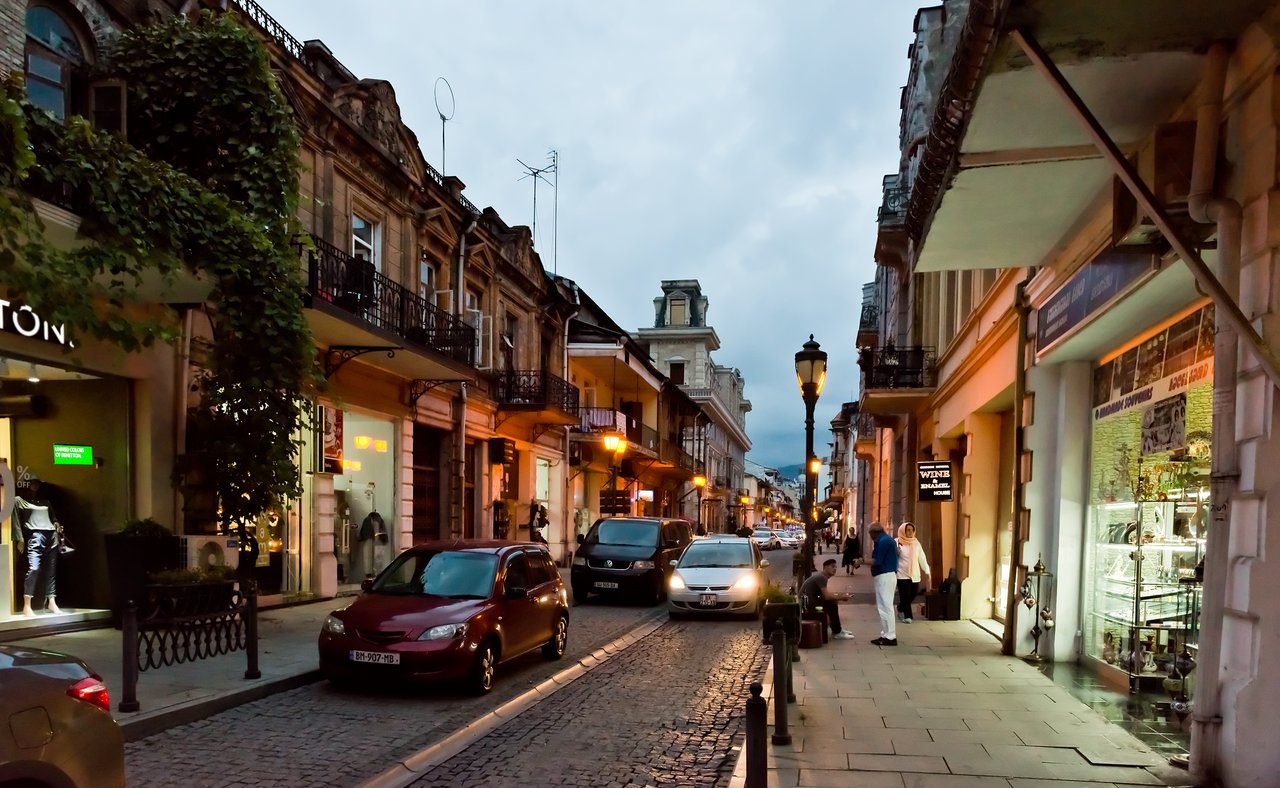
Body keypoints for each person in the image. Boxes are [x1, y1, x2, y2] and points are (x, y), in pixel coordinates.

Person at [14, 476, 63, 616]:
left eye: (37, 484)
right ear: (27, 485)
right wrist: (19, 538)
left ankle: (52, 602)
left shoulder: (46, 502)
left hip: (51, 536)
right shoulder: (19, 501)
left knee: (51, 571)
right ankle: (27, 605)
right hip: (35, 536)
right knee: (34, 568)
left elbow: (54, 519)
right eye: (32, 484)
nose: (35, 486)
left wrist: (57, 526)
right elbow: (16, 521)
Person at [799, 558, 855, 640]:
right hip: (807, 604)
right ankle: (837, 632)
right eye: (832, 566)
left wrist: (839, 595)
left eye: (836, 567)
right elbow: (827, 596)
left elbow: (825, 594)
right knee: (832, 604)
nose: (835, 569)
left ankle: (837, 630)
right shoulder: (822, 577)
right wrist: (842, 597)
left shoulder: (821, 577)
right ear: (825, 567)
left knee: (832, 602)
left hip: (808, 602)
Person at [869, 523, 899, 646]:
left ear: (874, 533)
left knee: (886, 607)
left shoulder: (883, 541)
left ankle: (890, 636)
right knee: (883, 607)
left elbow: (878, 560)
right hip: (886, 575)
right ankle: (886, 633)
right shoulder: (886, 540)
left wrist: (862, 561)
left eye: (870, 534)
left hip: (885, 576)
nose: (870, 537)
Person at [895, 522, 930, 623]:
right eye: (908, 530)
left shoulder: (916, 543)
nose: (910, 532)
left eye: (912, 530)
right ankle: (908, 616)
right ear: (903, 531)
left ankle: (901, 608)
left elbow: (921, 558)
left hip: (914, 574)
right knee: (905, 595)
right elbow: (892, 556)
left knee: (914, 593)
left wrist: (927, 570)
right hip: (901, 574)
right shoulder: (896, 542)